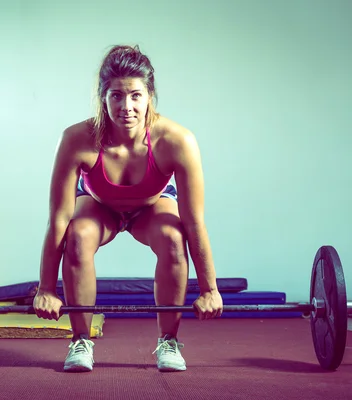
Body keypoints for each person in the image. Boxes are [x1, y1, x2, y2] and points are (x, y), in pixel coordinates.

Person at [33, 44, 223, 373]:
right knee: (76, 235)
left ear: (150, 96)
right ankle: (80, 340)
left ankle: (168, 341)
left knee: (175, 239)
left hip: (151, 206)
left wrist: (210, 290)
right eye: (116, 96)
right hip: (99, 205)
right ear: (102, 97)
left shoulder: (177, 141)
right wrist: (46, 290)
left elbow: (195, 223)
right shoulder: (77, 139)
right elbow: (59, 219)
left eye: (135, 95)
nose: (126, 107)